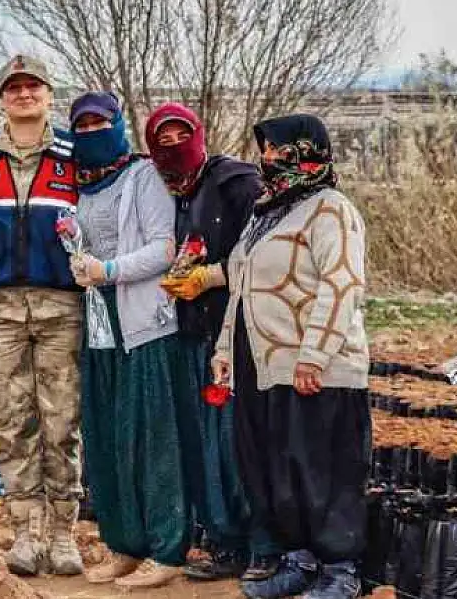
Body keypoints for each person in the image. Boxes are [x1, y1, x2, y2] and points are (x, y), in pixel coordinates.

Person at [212, 114, 370, 599]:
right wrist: (223, 350)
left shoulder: (331, 210)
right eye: (266, 151)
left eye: (279, 151)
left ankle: (340, 571)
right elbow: (239, 288)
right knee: (272, 468)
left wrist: (314, 356)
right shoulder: (265, 213)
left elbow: (341, 284)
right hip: (260, 365)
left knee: (321, 468)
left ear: (309, 150)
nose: (269, 160)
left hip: (315, 367)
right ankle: (298, 561)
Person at [148, 103, 278, 583]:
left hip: (234, 335)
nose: (172, 148)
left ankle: (262, 548)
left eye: (181, 135)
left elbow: (264, 253)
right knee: (205, 446)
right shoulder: (179, 192)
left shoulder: (235, 183)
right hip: (191, 334)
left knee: (236, 445)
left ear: (198, 136)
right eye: (161, 141)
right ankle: (224, 542)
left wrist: (212, 277)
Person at [64, 92, 187, 589]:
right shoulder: (81, 187)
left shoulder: (143, 177)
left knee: (151, 437)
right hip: (98, 322)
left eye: (101, 123)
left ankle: (167, 547)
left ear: (117, 126)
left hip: (142, 320)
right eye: (83, 125)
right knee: (107, 433)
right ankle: (124, 543)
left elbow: (164, 247)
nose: (92, 132)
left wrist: (109, 270)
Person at [0, 54, 84, 577]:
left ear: (49, 95)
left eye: (32, 86)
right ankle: (23, 533)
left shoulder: (73, 155)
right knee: (13, 422)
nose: (23, 95)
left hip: (60, 303)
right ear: (1, 98)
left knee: (62, 421)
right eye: (13, 87)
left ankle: (63, 534)